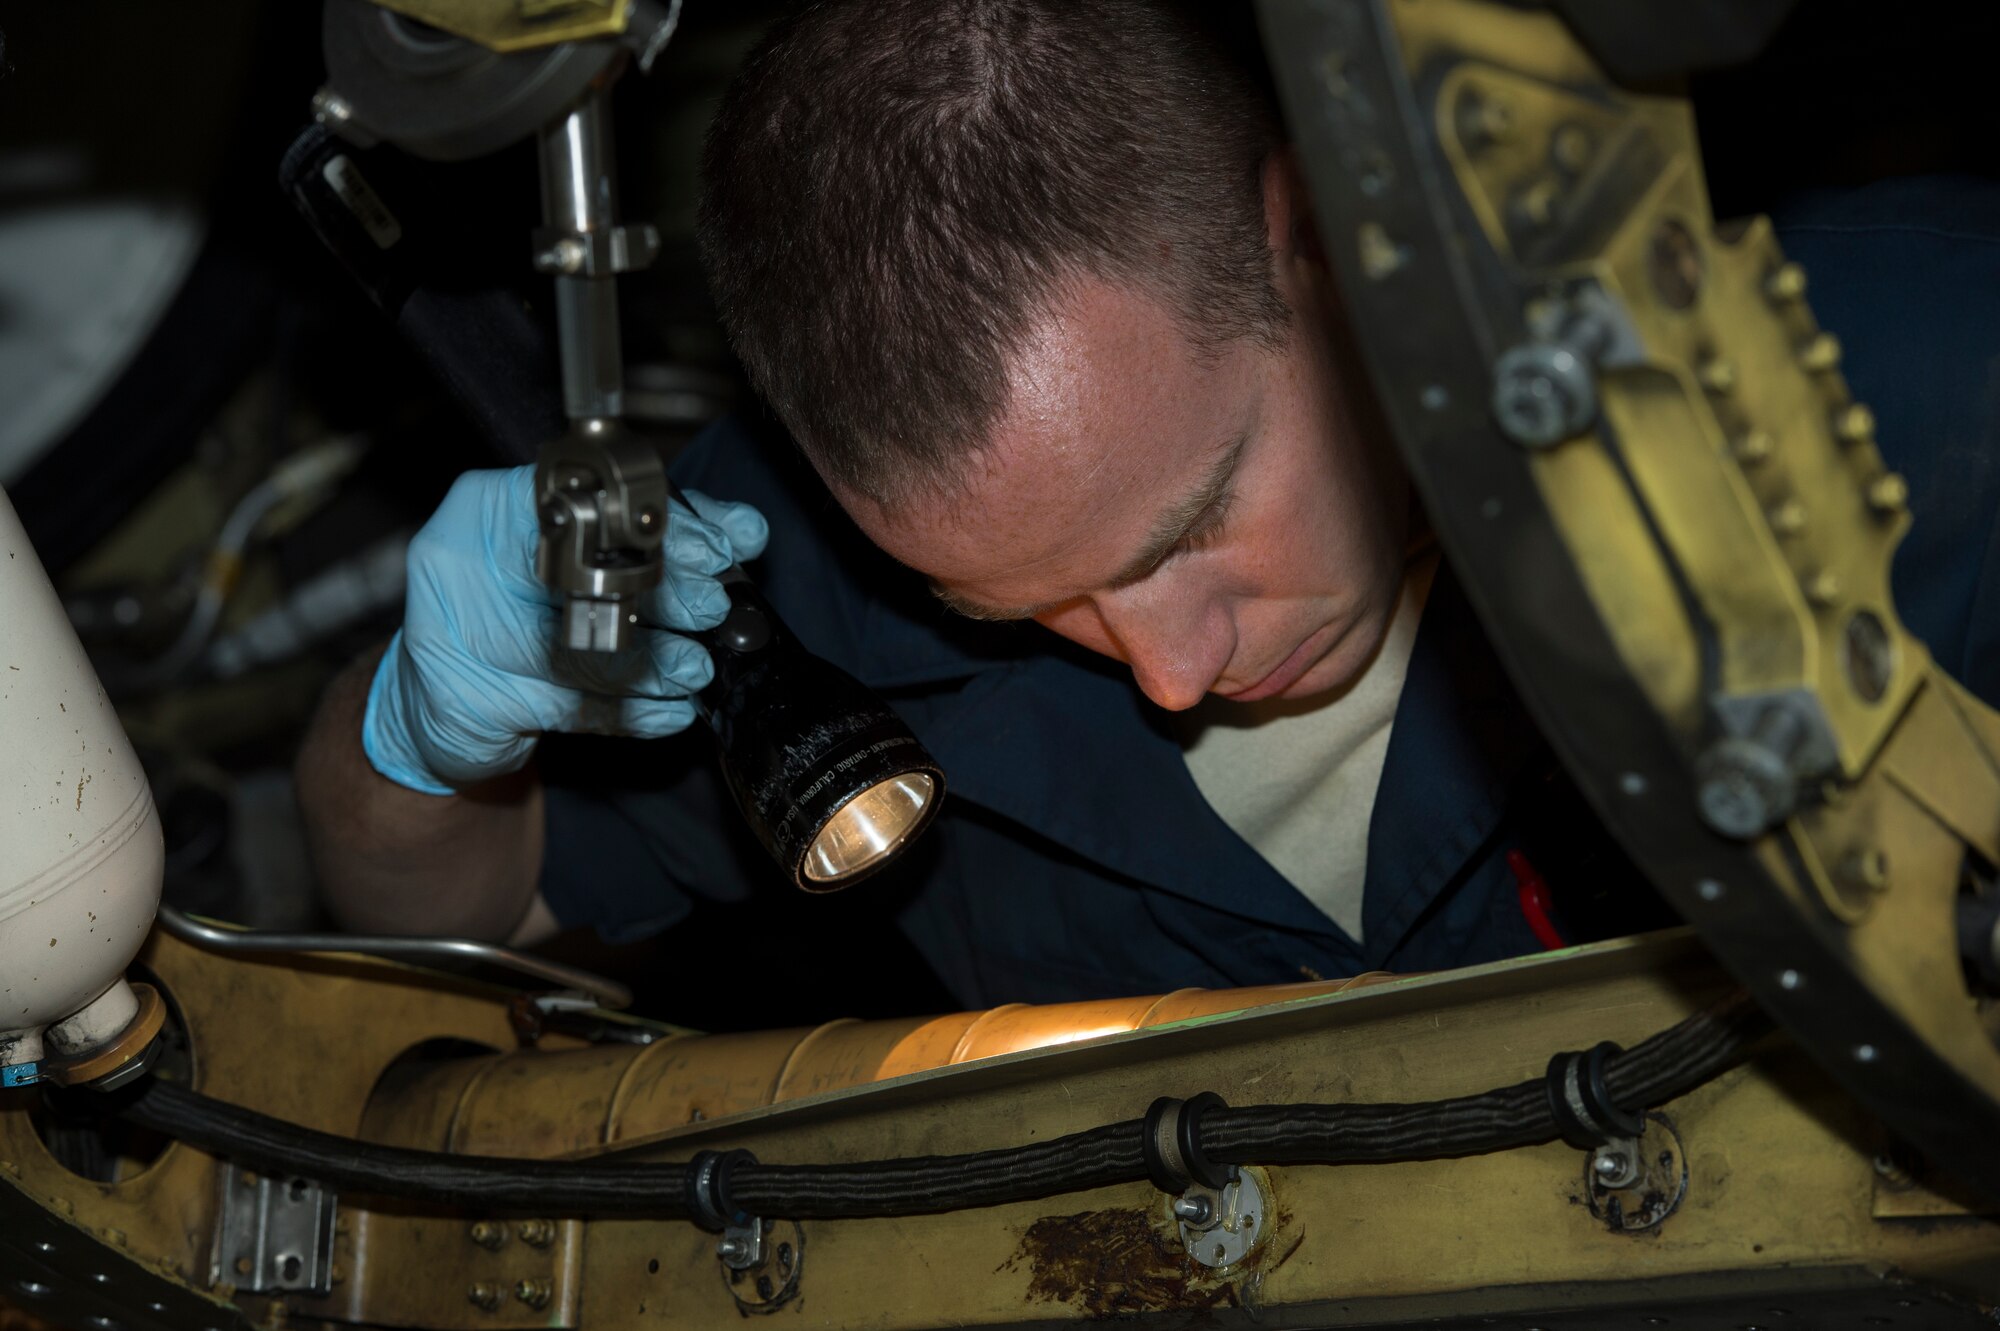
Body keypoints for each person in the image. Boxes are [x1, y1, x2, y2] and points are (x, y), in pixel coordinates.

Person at [295, 0, 2000, 1007]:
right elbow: (449, 914)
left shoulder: (1927, 383)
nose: (1172, 673)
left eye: (1191, 526)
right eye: (1019, 613)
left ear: (1320, 244)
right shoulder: (790, 580)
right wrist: (416, 739)